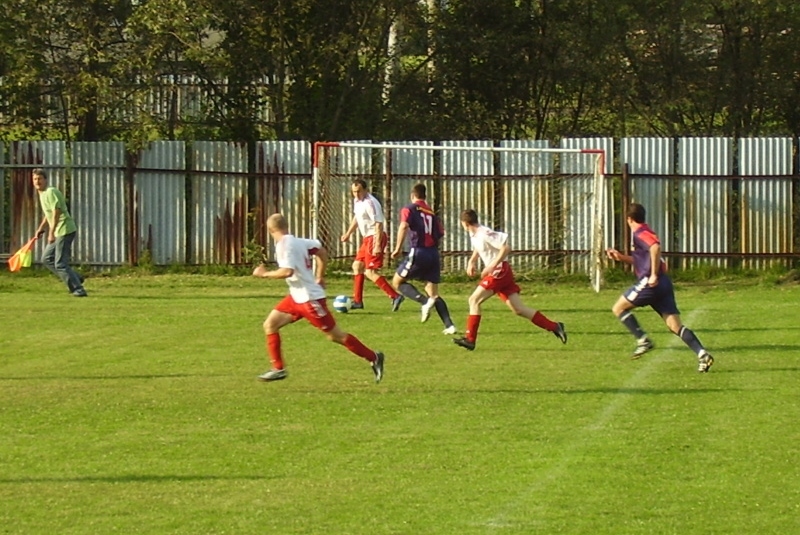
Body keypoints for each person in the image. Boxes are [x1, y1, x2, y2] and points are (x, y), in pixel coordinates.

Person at [253, 213, 385, 383]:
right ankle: (278, 369)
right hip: (296, 297)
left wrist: (264, 274)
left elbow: (287, 271)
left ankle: (374, 357)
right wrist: (320, 276)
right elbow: (321, 251)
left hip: (310, 300)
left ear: (270, 230)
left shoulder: (283, 245)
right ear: (286, 226)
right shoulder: (299, 241)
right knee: (270, 324)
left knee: (335, 336)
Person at [606, 203, 714, 372]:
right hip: (663, 283)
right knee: (675, 326)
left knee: (618, 308)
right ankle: (702, 354)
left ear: (629, 219)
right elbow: (643, 259)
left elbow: (655, 246)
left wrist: (654, 274)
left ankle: (643, 340)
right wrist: (621, 258)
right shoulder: (646, 230)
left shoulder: (640, 233)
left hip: (651, 282)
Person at [453, 209, 566, 351]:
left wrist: (491, 266)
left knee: (473, 300)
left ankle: (470, 339)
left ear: (465, 223)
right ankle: (555, 326)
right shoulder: (474, 234)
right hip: (500, 272)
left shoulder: (484, 232)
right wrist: (472, 261)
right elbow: (479, 247)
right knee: (518, 309)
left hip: (499, 271)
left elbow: (505, 248)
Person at [390, 183, 457, 335]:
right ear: (425, 197)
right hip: (433, 253)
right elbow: (441, 232)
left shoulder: (409, 208)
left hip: (418, 251)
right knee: (433, 292)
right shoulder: (431, 212)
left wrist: (397, 248)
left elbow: (403, 226)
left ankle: (425, 303)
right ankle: (449, 325)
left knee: (397, 282)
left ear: (412, 195)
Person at [340, 178, 404, 311]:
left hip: (375, 237)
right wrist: (348, 233)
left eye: (358, 191)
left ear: (365, 190)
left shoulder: (371, 203)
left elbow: (379, 224)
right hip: (367, 238)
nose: (356, 194)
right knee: (357, 266)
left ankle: (395, 296)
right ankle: (358, 301)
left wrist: (377, 245)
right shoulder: (357, 201)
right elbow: (357, 218)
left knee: (370, 272)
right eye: (353, 192)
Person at [32, 168, 88, 297]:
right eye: (35, 179)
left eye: (39, 178)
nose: (37, 181)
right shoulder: (42, 194)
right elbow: (48, 214)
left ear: (45, 180)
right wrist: (41, 228)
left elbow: (57, 212)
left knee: (60, 263)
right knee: (46, 259)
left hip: (65, 230)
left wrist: (51, 233)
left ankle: (78, 289)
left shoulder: (51, 191)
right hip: (58, 231)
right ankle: (75, 278)